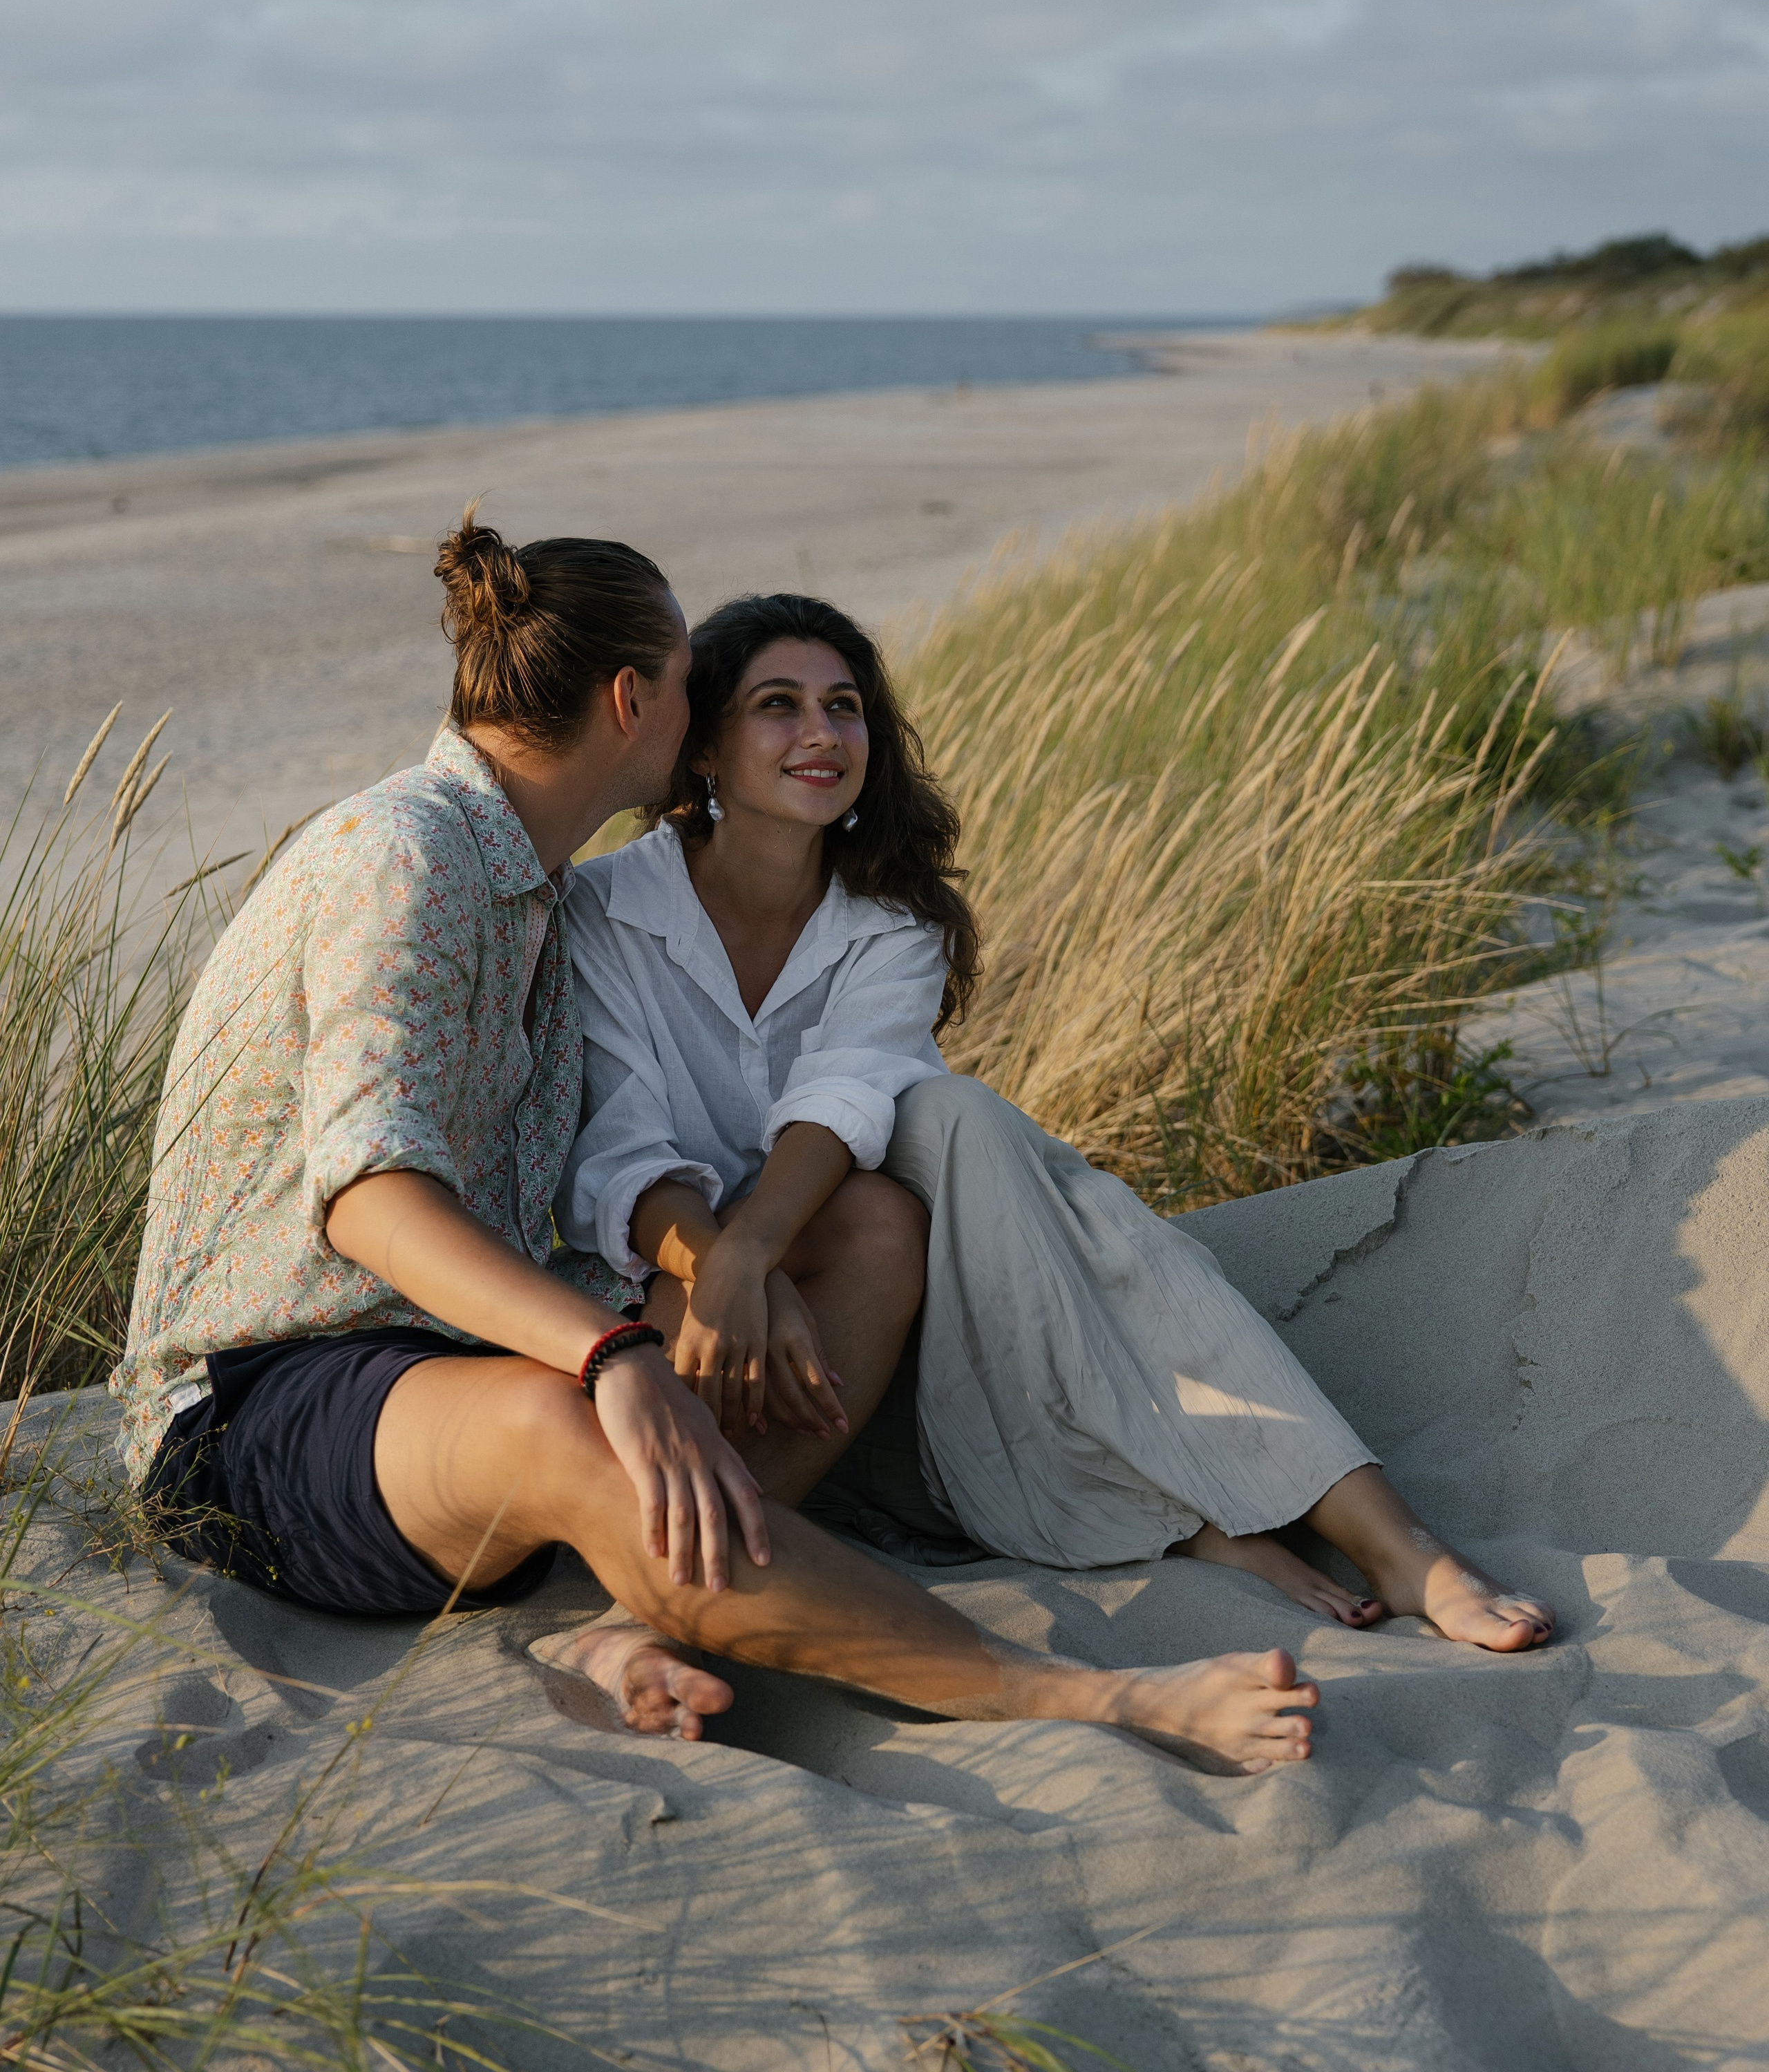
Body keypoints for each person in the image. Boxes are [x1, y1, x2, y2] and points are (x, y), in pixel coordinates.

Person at [113, 512, 1322, 1776]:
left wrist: (718, 1266)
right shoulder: (406, 856)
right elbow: (370, 1198)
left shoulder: (538, 891)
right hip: (260, 1407)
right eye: (698, 686)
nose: (707, 720)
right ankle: (1083, 1696)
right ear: (635, 701)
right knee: (559, 1421)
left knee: (870, 1228)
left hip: (448, 1363)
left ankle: (621, 1625)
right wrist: (616, 1353)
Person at [556, 591, 1556, 1655]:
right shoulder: (606, 911)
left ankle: (1389, 1539)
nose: (821, 734)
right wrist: (725, 1269)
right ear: (704, 745)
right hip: (670, 1342)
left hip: (884, 1363)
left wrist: (753, 1255)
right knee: (963, 1158)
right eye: (778, 705)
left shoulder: (892, 923)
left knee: (948, 1117)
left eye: (845, 706)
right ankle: (1196, 1523)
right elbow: (619, 1148)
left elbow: (844, 1094)